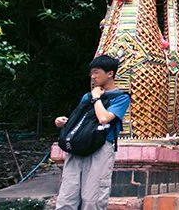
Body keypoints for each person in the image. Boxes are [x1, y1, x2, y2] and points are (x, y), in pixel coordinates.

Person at [55, 55, 130, 210]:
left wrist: (97, 98)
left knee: (92, 199)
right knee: (67, 196)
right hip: (78, 147)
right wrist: (63, 122)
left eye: (96, 72)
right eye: (91, 73)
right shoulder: (86, 97)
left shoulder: (121, 98)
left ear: (110, 73)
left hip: (100, 148)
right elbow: (81, 121)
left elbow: (103, 118)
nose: (93, 76)